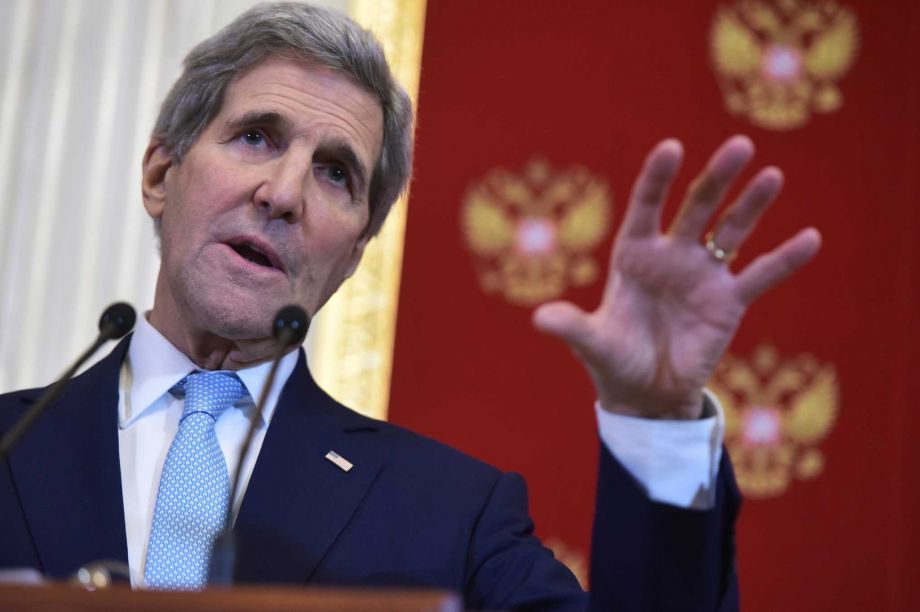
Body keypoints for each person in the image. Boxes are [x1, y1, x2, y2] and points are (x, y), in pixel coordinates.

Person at [0, 3, 821, 610]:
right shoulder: (12, 448)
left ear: (353, 253)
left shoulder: (454, 516)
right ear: (158, 176)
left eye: (335, 173)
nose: (283, 193)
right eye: (255, 135)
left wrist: (656, 423)